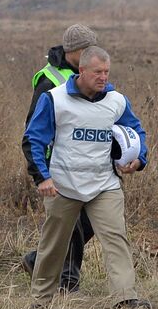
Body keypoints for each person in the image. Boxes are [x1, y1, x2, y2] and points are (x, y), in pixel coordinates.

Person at [23, 46, 149, 309]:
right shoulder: (54, 99)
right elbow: (34, 139)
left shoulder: (116, 101)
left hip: (104, 185)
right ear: (81, 71)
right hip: (63, 185)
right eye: (97, 72)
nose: (103, 77)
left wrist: (138, 160)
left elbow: (136, 132)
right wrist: (42, 178)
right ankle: (41, 299)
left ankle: (126, 298)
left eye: (106, 72)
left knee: (116, 236)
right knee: (54, 245)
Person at [21, 23, 99, 291]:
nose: (93, 54)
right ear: (73, 51)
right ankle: (67, 280)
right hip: (58, 163)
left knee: (90, 221)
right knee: (72, 222)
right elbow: (32, 129)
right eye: (87, 49)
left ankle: (37, 260)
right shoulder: (49, 79)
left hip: (89, 164)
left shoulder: (90, 73)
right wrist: (41, 172)